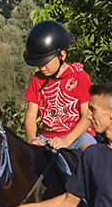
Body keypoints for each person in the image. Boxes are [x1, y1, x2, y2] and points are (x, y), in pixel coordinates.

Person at [22, 20, 97, 151]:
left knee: (91, 153)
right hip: (47, 137)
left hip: (79, 136)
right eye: (38, 63)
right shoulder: (37, 80)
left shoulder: (80, 77)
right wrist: (32, 138)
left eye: (45, 62)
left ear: (62, 55)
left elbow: (87, 115)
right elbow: (30, 115)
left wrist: (67, 140)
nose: (41, 67)